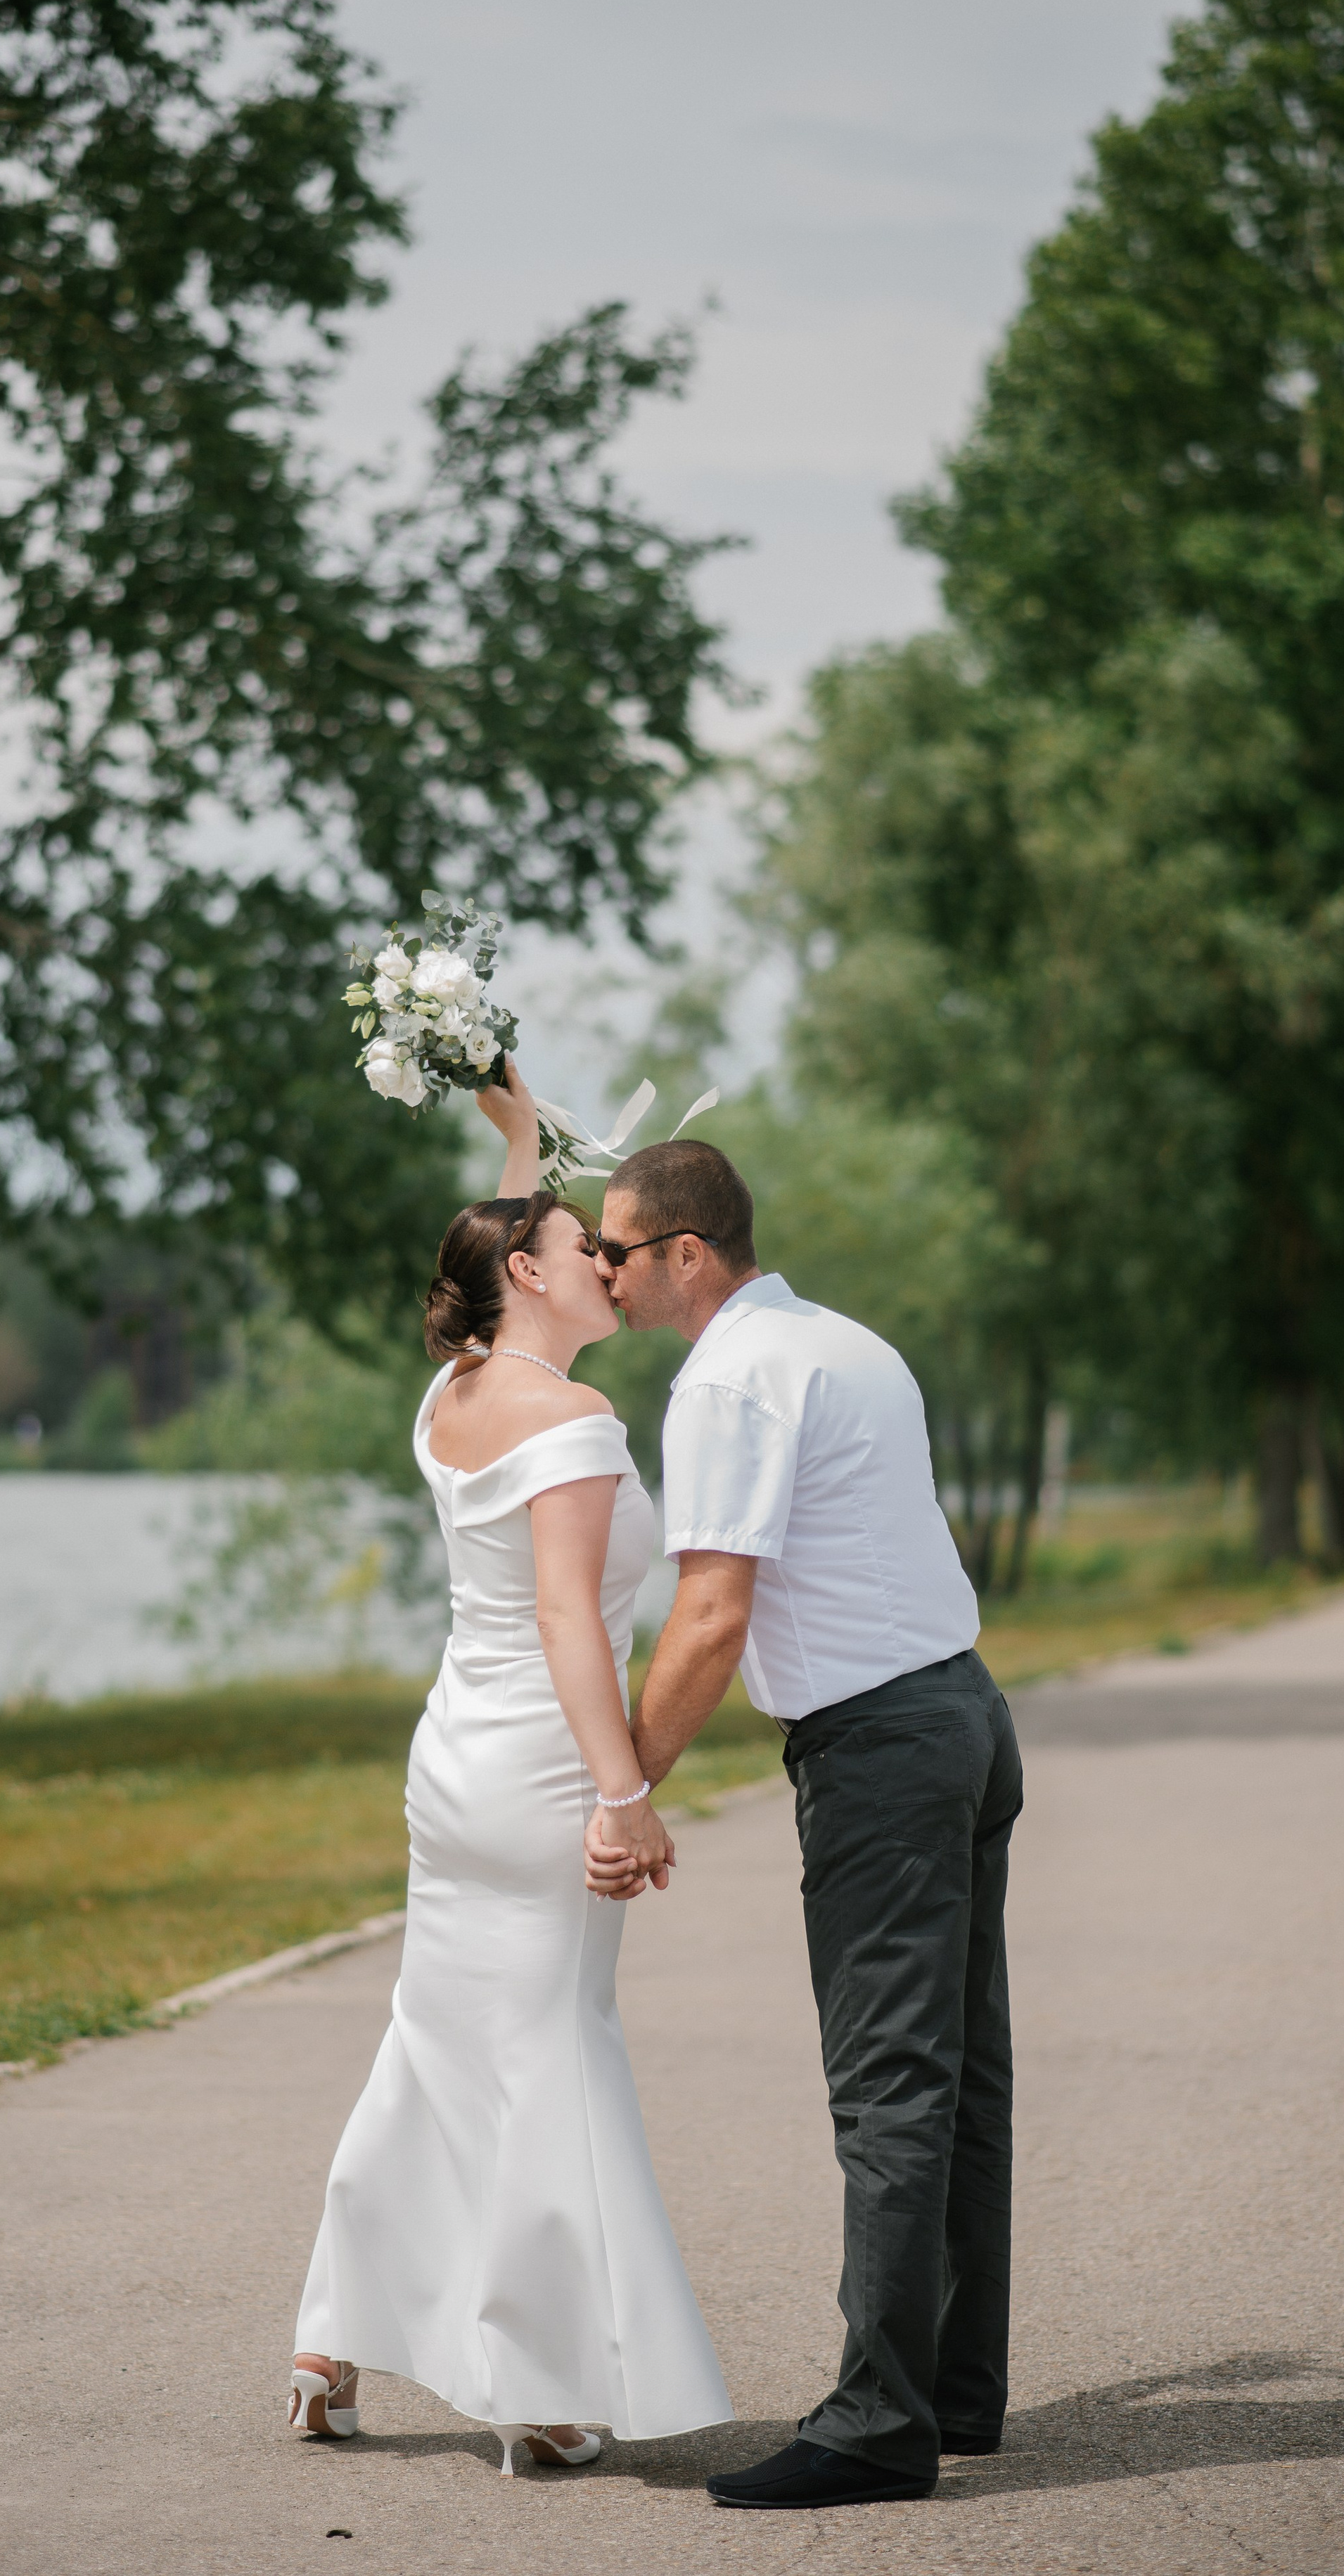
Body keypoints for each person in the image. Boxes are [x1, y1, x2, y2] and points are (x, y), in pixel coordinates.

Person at [289, 1064, 732, 2477]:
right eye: (576, 1247)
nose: (603, 1260)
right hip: (543, 1773)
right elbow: (565, 1617)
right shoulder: (575, 1424)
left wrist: (518, 1134)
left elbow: (490, 1229)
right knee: (549, 2047)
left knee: (433, 2041)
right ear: (528, 1280)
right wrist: (624, 1790)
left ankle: (326, 2344)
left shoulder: (456, 1391)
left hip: (450, 1767)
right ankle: (540, 2387)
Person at [584, 1135, 1023, 2512]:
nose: (602, 1270)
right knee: (958, 2076)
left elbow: (710, 1612)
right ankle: (952, 2389)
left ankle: (875, 2424)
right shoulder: (843, 1341)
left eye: (616, 1250)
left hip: (884, 1752)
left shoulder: (725, 1381)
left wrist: (625, 1782)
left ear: (685, 1255)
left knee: (889, 2082)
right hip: (963, 1713)